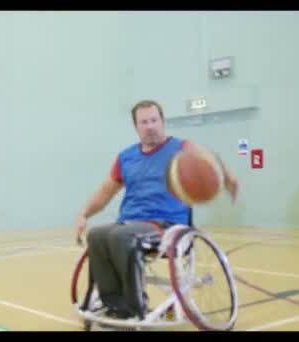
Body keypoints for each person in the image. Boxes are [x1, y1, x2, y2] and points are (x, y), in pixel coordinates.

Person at [75, 100, 238, 320]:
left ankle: (137, 308)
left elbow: (210, 161)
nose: (150, 126)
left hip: (167, 225)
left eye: (154, 120)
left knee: (122, 236)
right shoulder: (126, 157)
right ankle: (115, 304)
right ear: (136, 127)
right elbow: (105, 192)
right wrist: (84, 214)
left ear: (162, 122)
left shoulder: (182, 148)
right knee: (97, 235)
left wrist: (227, 178)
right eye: (144, 122)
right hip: (130, 222)